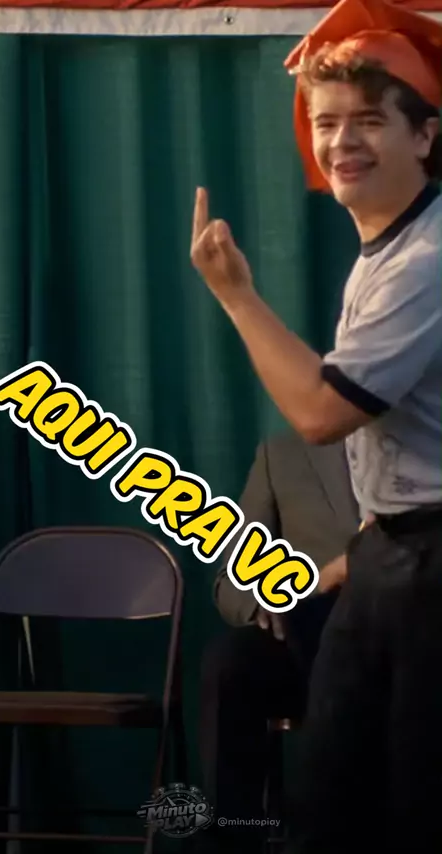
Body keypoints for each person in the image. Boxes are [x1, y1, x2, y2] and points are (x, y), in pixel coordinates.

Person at [190, 0, 442, 851]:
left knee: (404, 809)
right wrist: (350, 558)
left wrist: (236, 295)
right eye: (327, 123)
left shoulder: (428, 260)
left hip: (429, 579)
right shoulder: (387, 253)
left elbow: (321, 413)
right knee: (333, 801)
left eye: (369, 121)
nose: (341, 142)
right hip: (390, 560)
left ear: (426, 136)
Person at [198, 431, 359, 854]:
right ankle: (232, 838)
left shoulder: (425, 444)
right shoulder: (281, 455)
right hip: (308, 636)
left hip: (409, 633)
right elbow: (233, 577)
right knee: (231, 663)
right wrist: (264, 600)